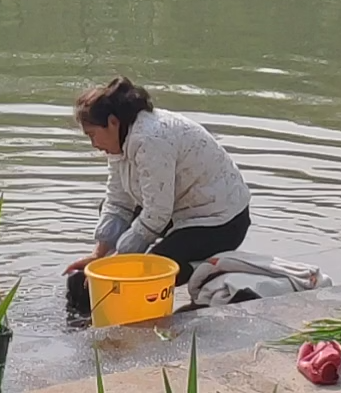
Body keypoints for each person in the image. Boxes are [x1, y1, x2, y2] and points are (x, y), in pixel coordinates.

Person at [64, 77, 252, 316]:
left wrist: (117, 266)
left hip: (220, 220)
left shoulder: (151, 139)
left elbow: (156, 215)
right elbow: (117, 201)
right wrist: (98, 255)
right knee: (109, 210)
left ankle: (206, 271)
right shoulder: (120, 140)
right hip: (177, 209)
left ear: (112, 122)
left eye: (92, 135)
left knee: (151, 271)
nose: (93, 144)